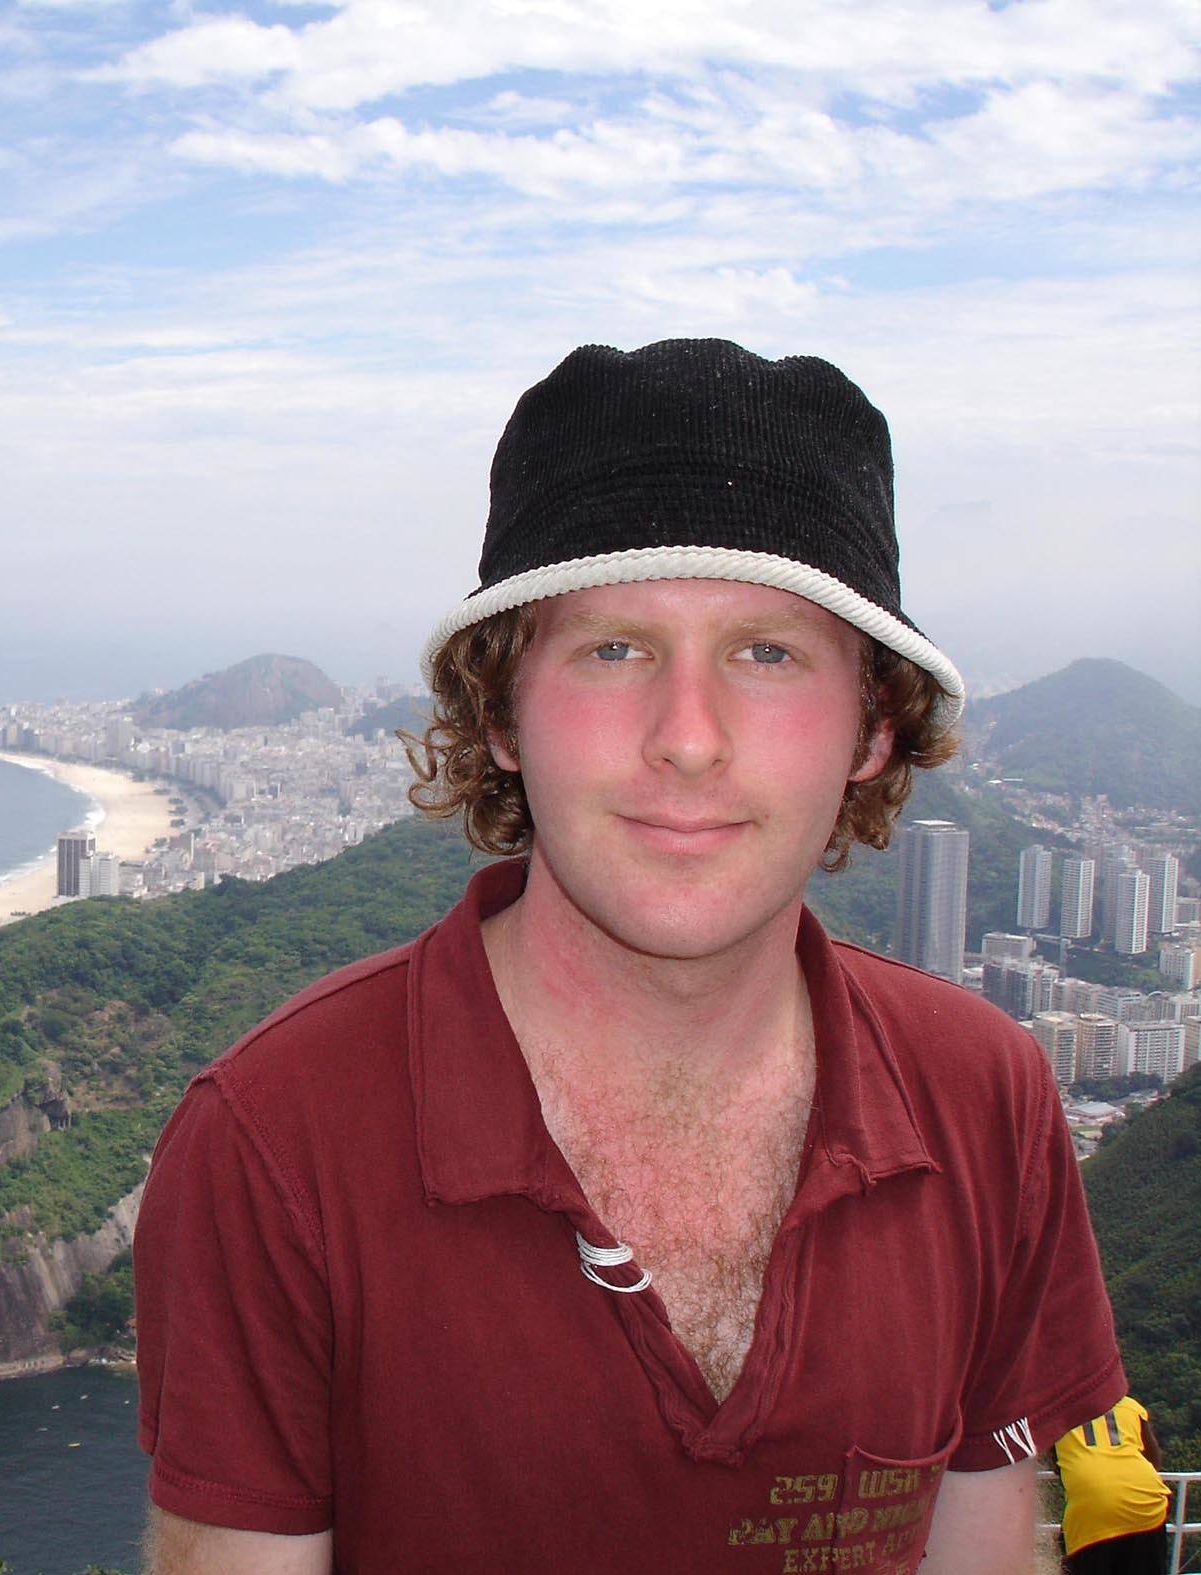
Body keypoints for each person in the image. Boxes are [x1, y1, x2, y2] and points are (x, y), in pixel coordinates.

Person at [131, 338, 1128, 1573]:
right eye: (614, 649)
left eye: (767, 653)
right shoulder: (278, 1141)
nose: (689, 740)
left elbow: (984, 1551)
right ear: (501, 713)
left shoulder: (985, 1097)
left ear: (874, 728)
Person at [1056, 1396, 1171, 1573]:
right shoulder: (1131, 1406)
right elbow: (1154, 1459)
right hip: (1146, 1500)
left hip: (1093, 1507)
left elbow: (1055, 1462)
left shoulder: (1054, 1410)